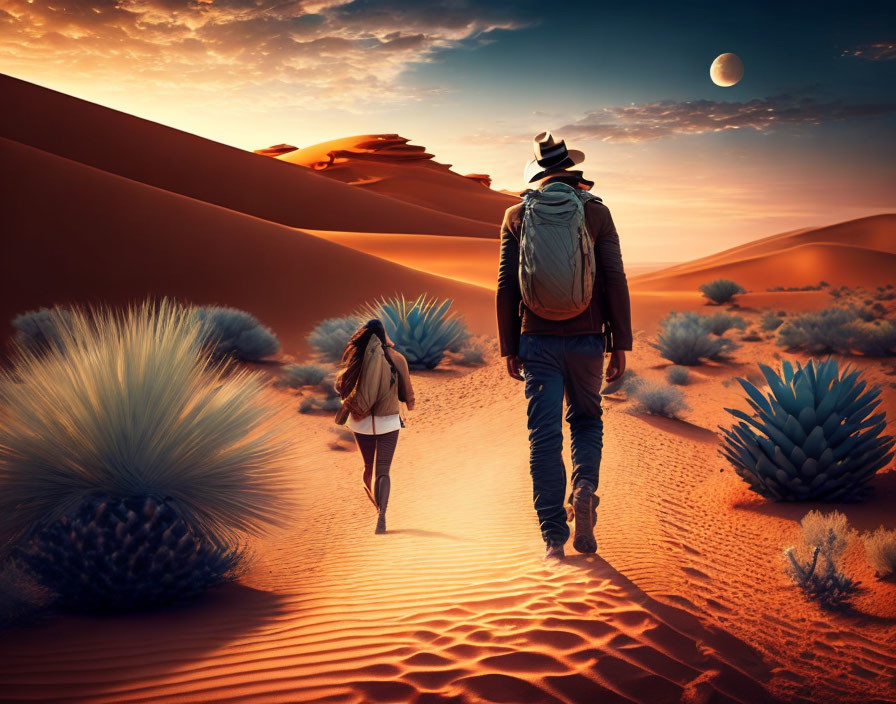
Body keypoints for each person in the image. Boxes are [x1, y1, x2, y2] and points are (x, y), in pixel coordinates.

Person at [496, 131, 633, 560]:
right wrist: (620, 343)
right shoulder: (597, 214)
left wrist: (509, 347)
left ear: (537, 172)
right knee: (587, 421)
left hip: (536, 340)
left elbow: (506, 287)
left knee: (543, 437)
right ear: (572, 171)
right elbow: (614, 279)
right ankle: (585, 489)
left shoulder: (516, 215)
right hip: (588, 339)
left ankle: (554, 538)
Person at [334, 319, 415, 534]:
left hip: (361, 423)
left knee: (368, 467)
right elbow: (408, 395)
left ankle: (376, 506)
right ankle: (382, 515)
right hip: (388, 421)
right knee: (383, 471)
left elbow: (340, 387)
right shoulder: (397, 358)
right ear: (383, 334)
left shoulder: (358, 359)